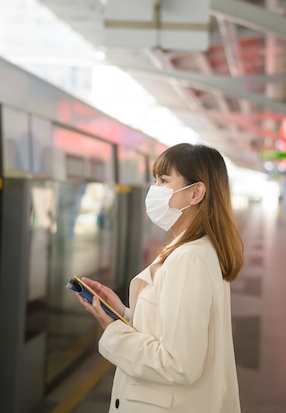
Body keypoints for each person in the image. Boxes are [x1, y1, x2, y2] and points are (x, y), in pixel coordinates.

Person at [76, 143, 244, 412]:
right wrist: (124, 314)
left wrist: (113, 329)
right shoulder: (200, 250)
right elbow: (176, 330)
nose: (154, 189)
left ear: (196, 192)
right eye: (155, 180)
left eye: (164, 180)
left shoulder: (187, 259)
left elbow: (178, 364)